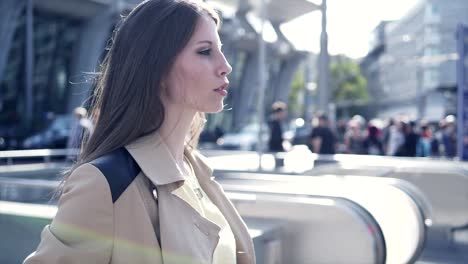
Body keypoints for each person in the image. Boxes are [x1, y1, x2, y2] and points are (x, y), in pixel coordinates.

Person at [24, 1, 255, 264]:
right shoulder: (104, 184)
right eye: (205, 51)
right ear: (157, 67)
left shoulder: (197, 171)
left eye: (221, 51)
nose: (226, 66)